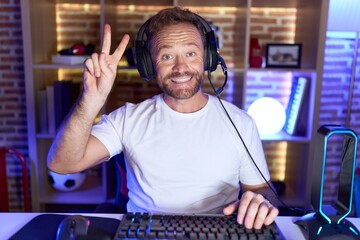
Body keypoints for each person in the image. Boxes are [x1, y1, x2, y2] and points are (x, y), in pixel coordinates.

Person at [47, 6, 279, 229]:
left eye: (190, 53)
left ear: (207, 58)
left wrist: (261, 202)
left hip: (217, 230)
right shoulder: (128, 119)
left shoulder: (241, 123)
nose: (180, 67)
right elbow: (62, 163)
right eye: (167, 56)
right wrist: (91, 99)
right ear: (149, 65)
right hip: (145, 231)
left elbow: (261, 190)